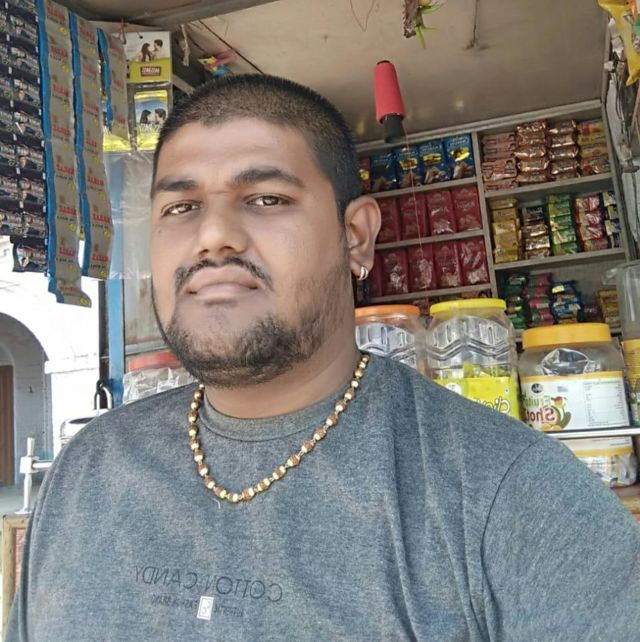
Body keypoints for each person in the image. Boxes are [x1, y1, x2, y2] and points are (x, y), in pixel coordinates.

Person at [7, 74, 640, 642]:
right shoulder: (88, 471)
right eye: (181, 207)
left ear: (355, 236)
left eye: (266, 199)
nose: (212, 235)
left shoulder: (513, 497)